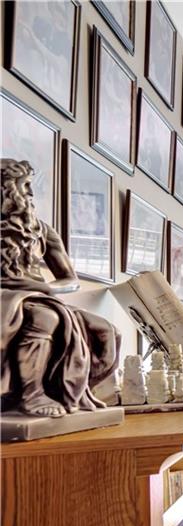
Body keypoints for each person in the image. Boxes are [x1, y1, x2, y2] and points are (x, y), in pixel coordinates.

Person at [1, 159, 120, 417]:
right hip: (6, 298)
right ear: (7, 189)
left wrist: (43, 287)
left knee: (106, 330)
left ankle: (70, 392)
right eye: (25, 186)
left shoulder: (42, 230)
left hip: (39, 294)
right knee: (44, 317)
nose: (31, 194)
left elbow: (70, 280)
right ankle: (32, 395)